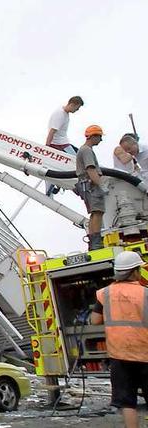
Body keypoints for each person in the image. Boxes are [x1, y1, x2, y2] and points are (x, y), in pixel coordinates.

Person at [90, 250, 148, 428]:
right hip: (145, 354)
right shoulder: (145, 293)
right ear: (135, 271)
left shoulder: (104, 294)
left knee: (127, 403)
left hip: (119, 355)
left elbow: (94, 320)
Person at [44, 96, 84, 196]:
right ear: (72, 104)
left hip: (64, 142)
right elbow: (52, 132)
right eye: (77, 108)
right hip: (59, 144)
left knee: (80, 157)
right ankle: (77, 186)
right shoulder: (60, 114)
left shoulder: (65, 114)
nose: (77, 110)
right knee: (76, 162)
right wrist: (47, 148)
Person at [76, 125, 106, 251]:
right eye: (99, 137)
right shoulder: (87, 150)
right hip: (91, 185)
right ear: (93, 136)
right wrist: (101, 185)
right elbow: (90, 169)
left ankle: (94, 242)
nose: (101, 140)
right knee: (98, 212)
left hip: (86, 185)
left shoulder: (83, 150)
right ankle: (96, 243)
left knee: (95, 213)